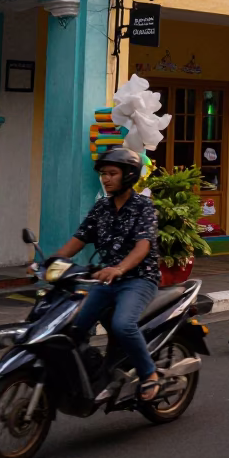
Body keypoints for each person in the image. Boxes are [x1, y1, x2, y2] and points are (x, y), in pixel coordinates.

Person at [52, 147, 161, 401]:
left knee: (123, 325)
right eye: (103, 173)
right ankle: (94, 374)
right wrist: (49, 262)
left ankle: (149, 373)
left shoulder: (144, 207)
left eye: (112, 173)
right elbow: (78, 240)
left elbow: (143, 245)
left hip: (138, 280)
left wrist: (121, 268)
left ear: (129, 175)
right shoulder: (101, 207)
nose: (106, 178)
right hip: (106, 280)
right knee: (74, 328)